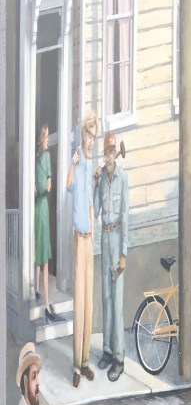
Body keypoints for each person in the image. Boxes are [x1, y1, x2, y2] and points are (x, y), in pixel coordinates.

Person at [66, 113, 98, 388]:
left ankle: (86, 361)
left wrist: (93, 233)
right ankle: (76, 365)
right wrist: (73, 166)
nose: (92, 141)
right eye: (90, 135)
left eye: (95, 136)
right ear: (83, 134)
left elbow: (89, 204)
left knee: (88, 302)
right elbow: (67, 187)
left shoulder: (90, 166)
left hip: (89, 239)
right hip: (77, 238)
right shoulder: (77, 161)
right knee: (78, 302)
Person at [94, 132, 129, 382]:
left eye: (110, 151)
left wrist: (124, 252)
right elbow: (96, 210)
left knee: (117, 302)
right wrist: (95, 183)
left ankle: (119, 357)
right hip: (104, 239)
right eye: (105, 152)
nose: (108, 156)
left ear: (115, 153)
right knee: (106, 298)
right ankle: (107, 350)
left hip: (117, 239)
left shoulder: (122, 178)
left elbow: (125, 215)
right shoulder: (102, 181)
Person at [34, 124, 59, 322]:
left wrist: (38, 188)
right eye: (47, 137)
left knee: (38, 252)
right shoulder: (46, 157)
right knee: (44, 258)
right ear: (41, 139)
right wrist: (44, 186)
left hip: (37, 206)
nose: (48, 140)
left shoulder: (36, 159)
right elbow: (48, 187)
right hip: (41, 207)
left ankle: (36, 290)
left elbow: (37, 188)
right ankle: (46, 304)